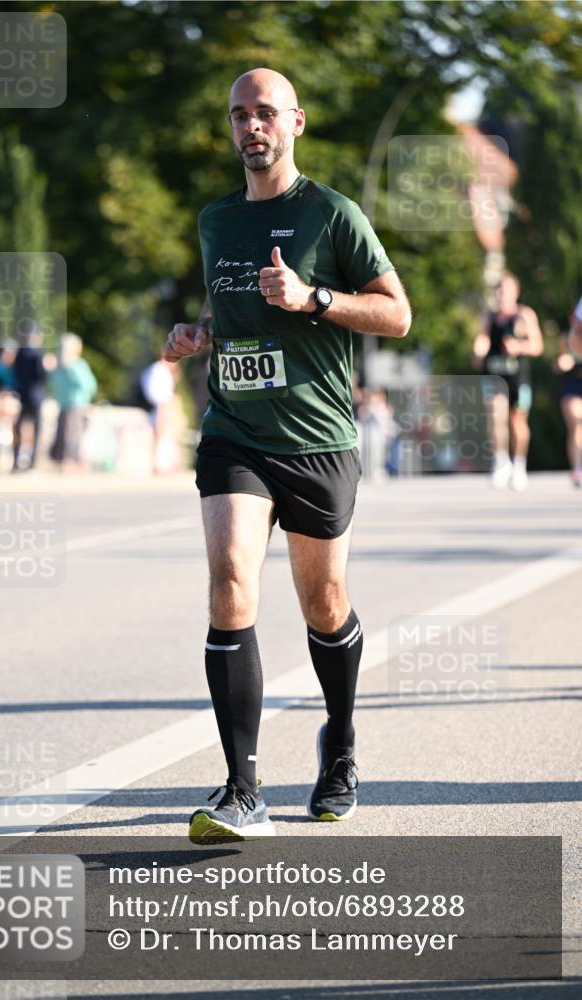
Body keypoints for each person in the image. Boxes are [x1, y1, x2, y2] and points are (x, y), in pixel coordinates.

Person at [163, 68, 411, 844]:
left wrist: (315, 299)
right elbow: (228, 306)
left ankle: (340, 743)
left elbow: (397, 314)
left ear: (294, 122)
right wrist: (197, 333)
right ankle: (242, 788)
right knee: (229, 581)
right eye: (239, 114)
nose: (251, 126)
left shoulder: (330, 213)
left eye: (265, 112)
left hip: (316, 439)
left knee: (323, 604)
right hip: (235, 432)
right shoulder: (215, 220)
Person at [472, 273, 543, 491]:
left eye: (506, 289)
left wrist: (519, 347)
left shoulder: (525, 315)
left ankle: (519, 465)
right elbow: (482, 339)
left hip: (518, 378)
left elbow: (537, 346)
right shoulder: (489, 316)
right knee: (495, 415)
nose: (502, 294)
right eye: (499, 289)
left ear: (516, 292)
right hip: (494, 377)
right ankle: (501, 462)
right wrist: (478, 350)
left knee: (517, 421)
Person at [49, 333, 97, 469]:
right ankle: (66, 460)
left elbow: (89, 385)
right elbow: (90, 386)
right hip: (68, 404)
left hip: (75, 405)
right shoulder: (69, 366)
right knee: (67, 434)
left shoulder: (74, 366)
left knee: (71, 434)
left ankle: (70, 460)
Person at [555, 295, 582, 487]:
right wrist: (563, 363)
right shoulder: (567, 338)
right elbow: (559, 362)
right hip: (573, 385)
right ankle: (577, 468)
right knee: (576, 423)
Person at [12, 326, 47, 472]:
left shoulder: (20, 353)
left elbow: (15, 373)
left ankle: (15, 461)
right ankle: (33, 464)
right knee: (37, 431)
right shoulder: (38, 354)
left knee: (19, 427)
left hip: (23, 395)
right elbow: (42, 376)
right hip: (36, 397)